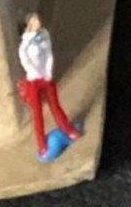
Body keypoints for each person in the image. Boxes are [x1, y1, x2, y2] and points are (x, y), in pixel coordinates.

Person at [17, 14, 82, 161]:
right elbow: (26, 63)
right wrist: (36, 74)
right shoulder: (24, 46)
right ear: (29, 25)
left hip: (46, 77)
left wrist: (47, 72)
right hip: (33, 81)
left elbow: (48, 54)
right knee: (37, 113)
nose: (38, 21)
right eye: (34, 20)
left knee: (55, 105)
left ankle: (68, 129)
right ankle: (42, 145)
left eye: (38, 19)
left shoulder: (45, 34)